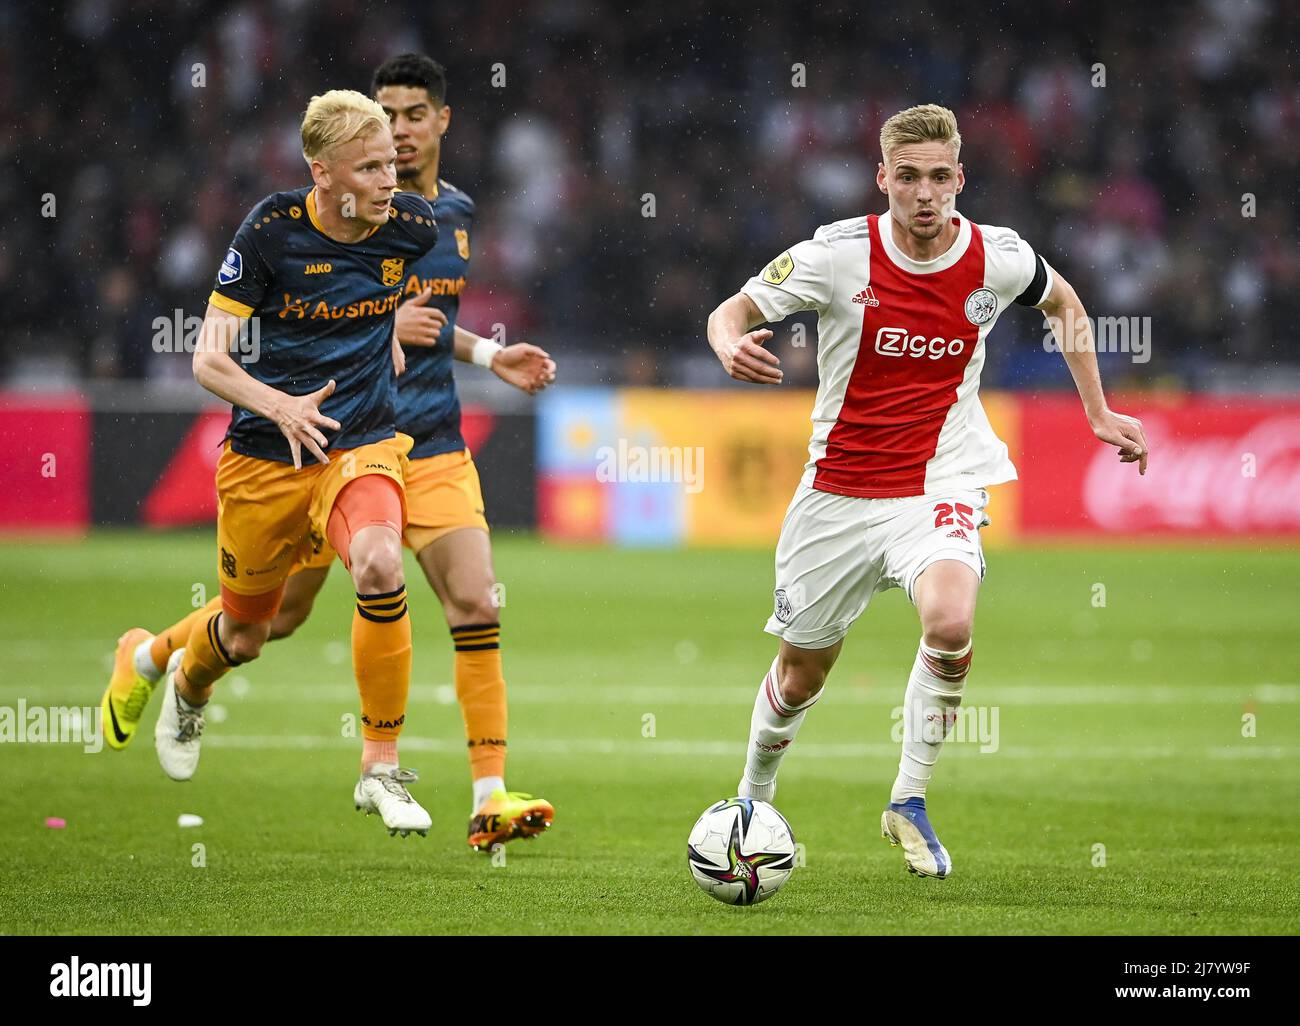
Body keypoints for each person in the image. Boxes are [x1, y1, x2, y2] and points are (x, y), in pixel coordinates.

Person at [705, 103, 1149, 878]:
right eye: (907, 177)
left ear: (960, 180)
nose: (924, 193)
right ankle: (752, 797)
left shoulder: (997, 257)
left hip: (941, 479)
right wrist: (727, 343)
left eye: (940, 177)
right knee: (803, 671)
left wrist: (1099, 411)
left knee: (949, 623)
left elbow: (1066, 305)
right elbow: (732, 309)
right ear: (882, 179)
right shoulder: (838, 256)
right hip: (838, 494)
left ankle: (908, 799)